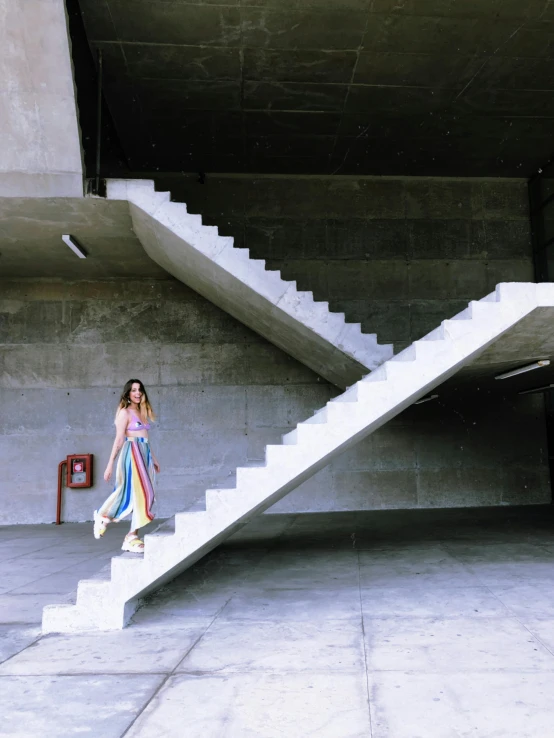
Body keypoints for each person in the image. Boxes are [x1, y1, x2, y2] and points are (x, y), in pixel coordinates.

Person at [93, 379, 160, 553]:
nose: (137, 393)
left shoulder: (141, 411)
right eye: (134, 390)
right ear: (128, 393)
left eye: (140, 390)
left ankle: (109, 521)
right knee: (143, 494)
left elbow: (144, 437)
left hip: (143, 453)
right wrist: (109, 464)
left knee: (139, 495)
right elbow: (119, 439)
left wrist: (153, 458)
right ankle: (127, 534)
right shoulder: (125, 412)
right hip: (132, 453)